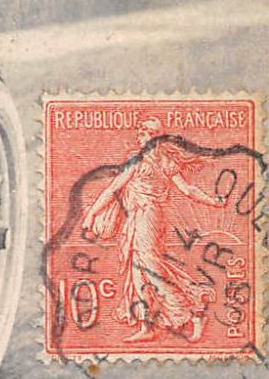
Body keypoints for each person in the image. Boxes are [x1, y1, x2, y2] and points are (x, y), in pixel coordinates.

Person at [81, 118, 229, 342]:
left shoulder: (155, 161)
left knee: (150, 268)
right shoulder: (144, 160)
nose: (143, 132)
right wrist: (92, 213)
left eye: (149, 130)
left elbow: (187, 189)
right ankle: (147, 325)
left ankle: (193, 312)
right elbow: (113, 189)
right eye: (141, 129)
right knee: (139, 269)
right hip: (139, 217)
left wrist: (213, 201)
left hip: (148, 217)